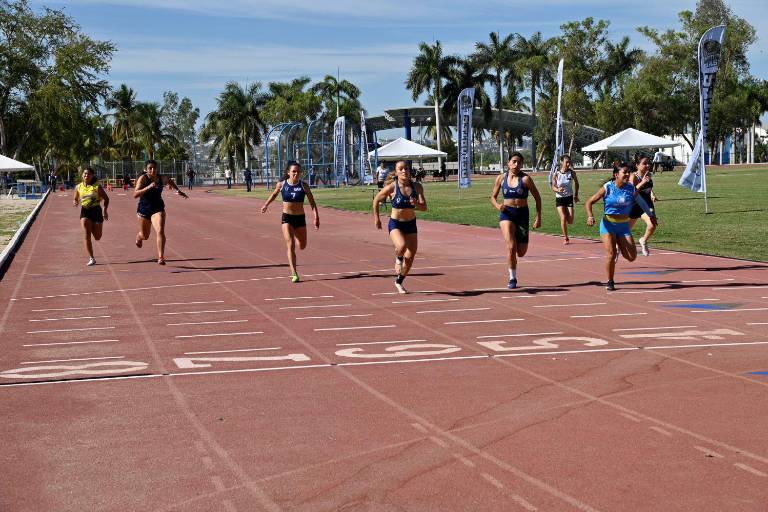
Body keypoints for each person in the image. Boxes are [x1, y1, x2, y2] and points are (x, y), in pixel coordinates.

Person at [585, 162, 657, 291]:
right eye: (625, 172)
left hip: (623, 227)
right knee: (611, 254)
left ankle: (620, 244)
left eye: (629, 172)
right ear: (616, 175)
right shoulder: (607, 187)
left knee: (632, 257)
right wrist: (590, 216)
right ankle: (610, 281)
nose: (628, 174)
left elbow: (641, 202)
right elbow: (589, 202)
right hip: (608, 225)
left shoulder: (631, 188)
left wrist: (651, 215)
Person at [372, 160, 427, 294]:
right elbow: (376, 200)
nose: (404, 171)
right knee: (401, 247)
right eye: (401, 169)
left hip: (411, 224)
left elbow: (424, 208)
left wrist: (416, 204)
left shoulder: (417, 187)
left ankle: (399, 281)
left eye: (406, 168)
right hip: (396, 223)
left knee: (410, 257)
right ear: (396, 172)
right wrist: (377, 218)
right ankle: (398, 259)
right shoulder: (392, 187)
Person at [490, 151, 542, 289]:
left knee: (521, 252)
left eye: (519, 162)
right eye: (514, 161)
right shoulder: (501, 178)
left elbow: (537, 198)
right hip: (507, 214)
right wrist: (498, 206)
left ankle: (514, 259)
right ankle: (512, 278)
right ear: (508, 163)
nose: (516, 164)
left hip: (522, 214)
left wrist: (538, 217)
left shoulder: (525, 179)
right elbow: (492, 197)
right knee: (511, 246)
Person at [261, 161, 320, 283]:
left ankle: (297, 236)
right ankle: (294, 273)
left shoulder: (303, 185)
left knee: (302, 246)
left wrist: (316, 217)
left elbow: (312, 202)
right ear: (288, 172)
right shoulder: (282, 184)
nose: (296, 174)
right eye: (294, 171)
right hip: (287, 218)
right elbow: (274, 194)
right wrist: (266, 205)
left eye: (298, 172)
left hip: (300, 219)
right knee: (290, 244)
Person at [134, 159, 188, 265]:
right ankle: (139, 236)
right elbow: (135, 194)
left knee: (160, 231)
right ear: (146, 169)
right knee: (145, 236)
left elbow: (169, 180)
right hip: (144, 209)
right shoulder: (143, 178)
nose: (152, 170)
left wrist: (178, 190)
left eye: (154, 168)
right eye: (150, 168)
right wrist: (148, 187)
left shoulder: (161, 178)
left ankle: (161, 257)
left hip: (157, 208)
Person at [73, 167, 109, 266]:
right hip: (85, 211)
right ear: (82, 175)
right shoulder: (78, 187)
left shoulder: (97, 186)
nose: (86, 175)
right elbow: (75, 198)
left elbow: (106, 199)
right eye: (85, 174)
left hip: (96, 211)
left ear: (92, 176)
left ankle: (93, 226)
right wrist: (75, 202)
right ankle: (91, 258)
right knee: (86, 234)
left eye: (89, 174)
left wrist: (104, 210)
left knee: (97, 237)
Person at [629, 156, 658, 256]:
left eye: (648, 163)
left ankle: (643, 240)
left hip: (645, 206)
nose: (647, 165)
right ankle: (616, 250)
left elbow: (648, 188)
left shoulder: (648, 175)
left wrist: (652, 194)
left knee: (652, 225)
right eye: (644, 163)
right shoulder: (633, 176)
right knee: (624, 232)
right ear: (637, 165)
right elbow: (631, 192)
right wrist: (643, 182)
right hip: (633, 207)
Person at [550, 154, 579, 245]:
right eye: (566, 162)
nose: (568, 164)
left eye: (569, 162)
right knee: (563, 218)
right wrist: (558, 189)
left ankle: (567, 212)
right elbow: (553, 187)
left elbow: (577, 183)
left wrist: (576, 195)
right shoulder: (556, 173)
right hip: (560, 198)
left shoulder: (572, 173)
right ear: (561, 162)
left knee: (570, 221)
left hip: (569, 198)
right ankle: (566, 238)